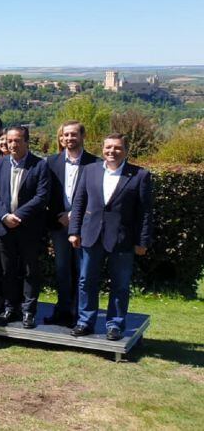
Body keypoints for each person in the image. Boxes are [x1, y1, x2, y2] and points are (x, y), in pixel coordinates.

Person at [69, 134, 153, 340]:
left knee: (120, 284)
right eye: (108, 147)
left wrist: (142, 241)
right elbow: (79, 203)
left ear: (125, 150)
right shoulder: (89, 171)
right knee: (86, 281)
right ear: (102, 148)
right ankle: (85, 321)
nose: (111, 151)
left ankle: (114, 325)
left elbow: (145, 212)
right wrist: (74, 231)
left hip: (122, 238)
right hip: (91, 235)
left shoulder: (140, 175)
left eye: (117, 148)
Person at [0, 126, 50, 328]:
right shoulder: (1, 164)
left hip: (28, 227)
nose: (13, 144)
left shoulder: (40, 165)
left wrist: (18, 216)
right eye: (10, 140)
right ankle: (10, 307)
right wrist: (5, 216)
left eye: (17, 141)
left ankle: (28, 311)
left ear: (26, 142)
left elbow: (41, 196)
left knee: (30, 270)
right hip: (4, 227)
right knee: (8, 270)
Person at [44, 121, 97, 327]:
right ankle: (63, 310)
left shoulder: (95, 163)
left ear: (82, 136)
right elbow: (45, 194)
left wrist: (74, 215)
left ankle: (80, 313)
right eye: (65, 135)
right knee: (62, 269)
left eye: (73, 135)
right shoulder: (51, 162)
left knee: (82, 271)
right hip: (59, 224)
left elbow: (97, 197)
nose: (69, 139)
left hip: (84, 225)